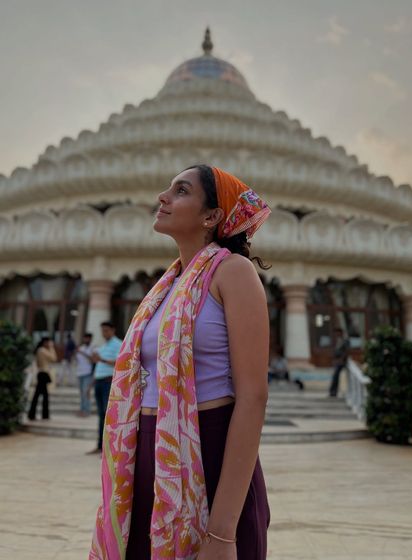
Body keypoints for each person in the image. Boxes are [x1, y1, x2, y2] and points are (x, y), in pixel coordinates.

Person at [90, 165, 272, 560]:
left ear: (211, 216)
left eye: (181, 190)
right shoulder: (168, 285)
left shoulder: (232, 272)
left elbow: (253, 396)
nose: (163, 197)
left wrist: (222, 531)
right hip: (151, 452)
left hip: (212, 449)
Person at [87, 322, 122, 454]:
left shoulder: (118, 344)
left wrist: (102, 360)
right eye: (102, 331)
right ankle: (100, 446)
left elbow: (121, 362)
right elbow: (98, 365)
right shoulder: (103, 346)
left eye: (106, 330)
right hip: (99, 382)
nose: (104, 333)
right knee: (101, 415)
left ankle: (108, 449)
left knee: (108, 416)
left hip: (109, 382)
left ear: (113, 330)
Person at [28, 337, 57, 420]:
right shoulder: (42, 350)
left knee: (41, 395)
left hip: (43, 374)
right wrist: (51, 347)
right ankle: (41, 415)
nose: (49, 344)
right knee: (41, 396)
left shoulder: (41, 350)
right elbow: (54, 358)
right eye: (48, 343)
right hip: (43, 374)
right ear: (45, 342)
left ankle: (37, 414)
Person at [75, 332, 95, 417]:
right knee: (81, 393)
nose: (86, 340)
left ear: (90, 339)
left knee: (86, 392)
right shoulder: (81, 348)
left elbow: (93, 360)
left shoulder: (93, 348)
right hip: (80, 373)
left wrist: (83, 353)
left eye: (88, 338)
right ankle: (82, 409)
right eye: (85, 338)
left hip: (88, 373)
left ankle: (87, 411)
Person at [328, 327, 350, 397]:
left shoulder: (345, 341)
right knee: (335, 376)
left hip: (342, 361)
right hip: (337, 361)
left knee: (335, 375)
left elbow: (346, 351)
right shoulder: (337, 341)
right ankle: (332, 392)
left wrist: (341, 359)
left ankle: (333, 392)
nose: (336, 334)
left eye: (337, 332)